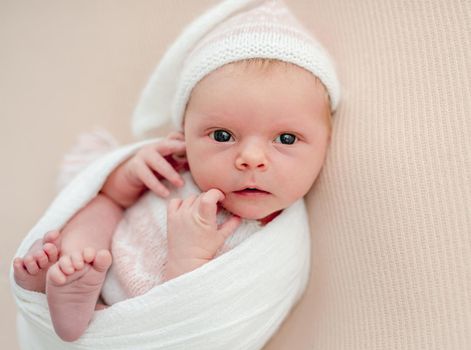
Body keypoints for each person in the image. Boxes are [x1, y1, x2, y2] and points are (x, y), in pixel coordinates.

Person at [12, 0, 340, 343]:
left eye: (286, 139)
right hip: (101, 261)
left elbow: (196, 326)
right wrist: (128, 173)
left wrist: (189, 256)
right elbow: (111, 196)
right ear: (185, 132)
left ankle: (75, 306)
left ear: (325, 143)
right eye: (222, 136)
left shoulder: (273, 246)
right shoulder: (175, 165)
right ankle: (64, 275)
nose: (251, 159)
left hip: (143, 320)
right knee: (99, 206)